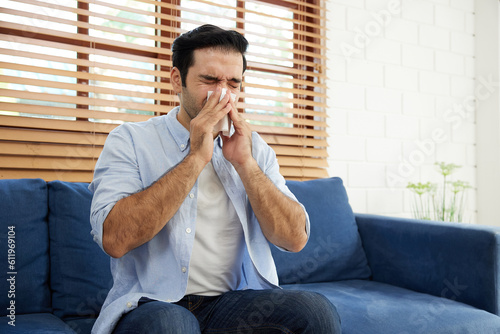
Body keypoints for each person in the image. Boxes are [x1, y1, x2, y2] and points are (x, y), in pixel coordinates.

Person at [89, 24, 341, 334]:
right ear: (176, 81)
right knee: (172, 324)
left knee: (315, 312)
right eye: (209, 80)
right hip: (152, 303)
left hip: (232, 304)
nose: (223, 93)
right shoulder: (130, 140)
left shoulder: (254, 148)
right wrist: (195, 158)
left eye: (233, 83)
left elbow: (294, 238)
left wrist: (245, 163)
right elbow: (115, 240)